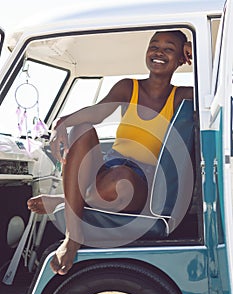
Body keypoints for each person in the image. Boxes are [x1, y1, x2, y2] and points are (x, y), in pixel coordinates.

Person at [27, 30, 193, 275]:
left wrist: (197, 51)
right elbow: (97, 112)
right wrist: (62, 123)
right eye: (154, 45)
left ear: (181, 58)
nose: (159, 52)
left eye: (169, 49)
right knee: (82, 129)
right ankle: (73, 236)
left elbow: (219, 91)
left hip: (141, 179)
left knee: (119, 181)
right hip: (108, 165)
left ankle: (65, 201)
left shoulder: (182, 96)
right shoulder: (128, 87)